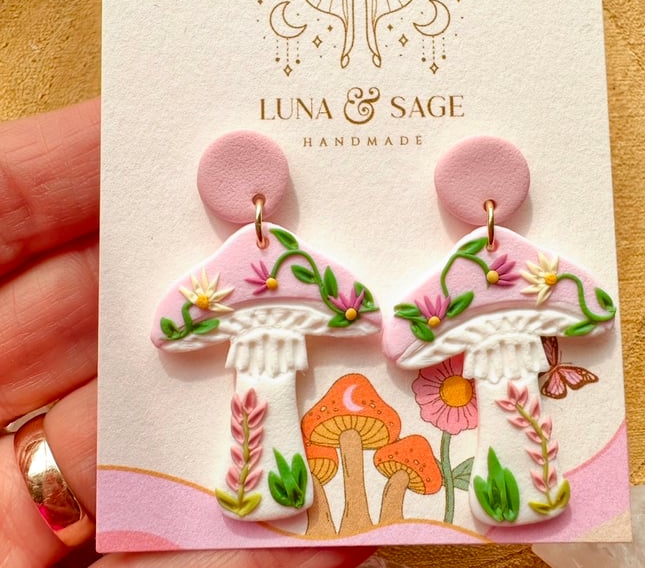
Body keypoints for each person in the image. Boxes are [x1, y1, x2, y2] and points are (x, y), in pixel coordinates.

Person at [0, 99, 374, 568]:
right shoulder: (233, 273)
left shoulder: (292, 270)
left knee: (269, 402)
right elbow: (173, 327)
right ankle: (258, 488)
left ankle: (270, 489)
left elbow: (358, 310)